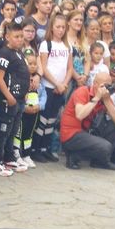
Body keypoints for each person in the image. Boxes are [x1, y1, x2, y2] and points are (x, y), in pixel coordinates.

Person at [0, 22, 30, 176]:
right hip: (9, 99)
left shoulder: (19, 53)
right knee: (3, 129)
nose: (20, 40)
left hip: (19, 99)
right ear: (7, 37)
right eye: (16, 37)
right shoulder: (5, 53)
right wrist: (9, 96)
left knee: (12, 130)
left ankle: (9, 157)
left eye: (21, 37)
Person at [31, 13, 72, 163]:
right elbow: (44, 67)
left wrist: (64, 84)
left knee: (52, 119)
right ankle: (36, 148)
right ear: (52, 28)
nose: (61, 30)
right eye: (58, 27)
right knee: (43, 118)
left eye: (63, 27)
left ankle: (45, 147)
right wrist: (56, 84)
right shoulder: (46, 44)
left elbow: (69, 68)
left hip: (60, 88)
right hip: (48, 86)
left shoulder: (67, 46)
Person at [60, 72, 115, 170]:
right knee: (105, 147)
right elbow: (80, 115)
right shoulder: (82, 91)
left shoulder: (105, 96)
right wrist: (97, 98)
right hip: (71, 135)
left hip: (86, 132)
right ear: (95, 84)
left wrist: (106, 100)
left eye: (109, 85)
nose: (107, 88)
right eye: (104, 85)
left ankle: (99, 161)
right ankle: (74, 156)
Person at [14, 54, 45, 169]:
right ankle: (16, 153)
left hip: (34, 112)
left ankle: (27, 154)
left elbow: (43, 96)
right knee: (18, 132)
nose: (32, 66)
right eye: (29, 64)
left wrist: (39, 106)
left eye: (34, 64)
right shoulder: (21, 78)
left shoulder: (39, 83)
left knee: (29, 134)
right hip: (23, 111)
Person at [66, 10, 89, 91]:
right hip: (69, 79)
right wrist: (77, 77)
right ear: (68, 22)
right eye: (76, 20)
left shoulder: (83, 39)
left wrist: (85, 76)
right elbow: (67, 63)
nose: (79, 22)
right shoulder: (64, 39)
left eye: (81, 20)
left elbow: (87, 60)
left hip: (83, 79)